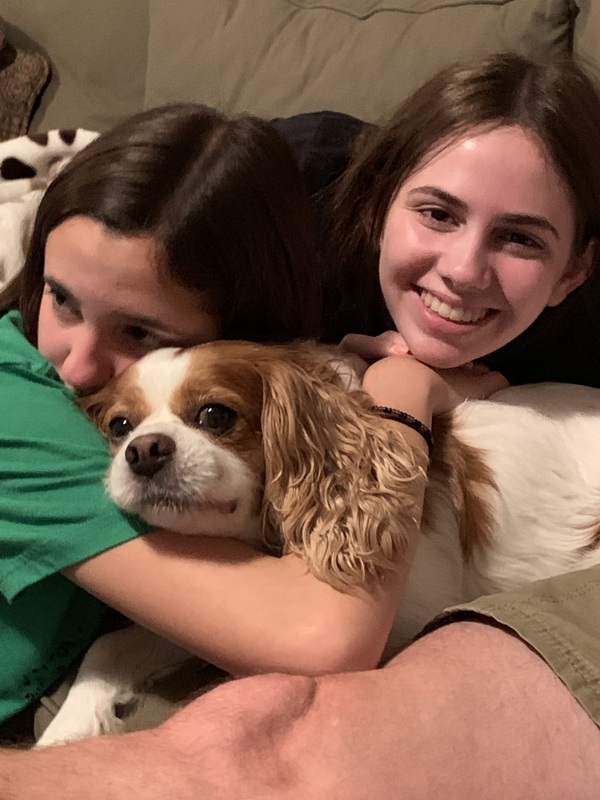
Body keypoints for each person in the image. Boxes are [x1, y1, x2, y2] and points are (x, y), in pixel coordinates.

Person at [3, 51, 600, 797]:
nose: (463, 270)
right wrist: (407, 390)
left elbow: (334, 633)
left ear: (574, 271)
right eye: (437, 213)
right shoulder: (275, 222)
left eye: (521, 238)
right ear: (378, 204)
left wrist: (408, 388)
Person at [0, 101, 490, 744]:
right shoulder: (18, 405)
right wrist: (404, 395)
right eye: (61, 298)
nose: (77, 366)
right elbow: (320, 634)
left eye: (140, 332)